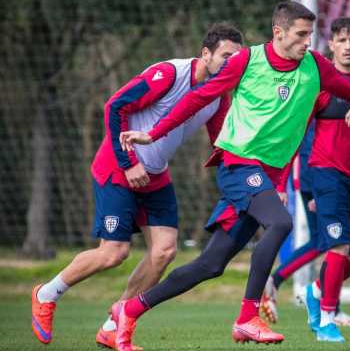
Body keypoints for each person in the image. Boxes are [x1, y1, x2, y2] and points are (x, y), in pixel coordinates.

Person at [114, 1, 350, 350]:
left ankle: (129, 310)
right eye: (300, 35)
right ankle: (247, 317)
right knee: (280, 223)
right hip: (238, 165)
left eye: (310, 35)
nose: (307, 42)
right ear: (278, 32)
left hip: (264, 176)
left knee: (210, 264)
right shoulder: (248, 60)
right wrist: (154, 132)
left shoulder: (316, 66)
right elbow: (199, 97)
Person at [30, 24, 243, 350]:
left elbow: (221, 145)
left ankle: (114, 326)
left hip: (156, 176)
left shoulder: (218, 97)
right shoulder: (169, 74)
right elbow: (114, 106)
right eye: (226, 56)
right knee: (114, 253)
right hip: (118, 168)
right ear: (206, 54)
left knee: (164, 251)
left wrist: (253, 176)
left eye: (237, 58)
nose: (232, 63)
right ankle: (46, 294)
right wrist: (129, 163)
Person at [260, 18, 350, 338]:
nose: (348, 46)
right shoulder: (318, 85)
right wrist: (281, 183)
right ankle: (326, 320)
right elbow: (295, 135)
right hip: (325, 174)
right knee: (337, 245)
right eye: (342, 40)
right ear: (332, 45)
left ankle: (317, 289)